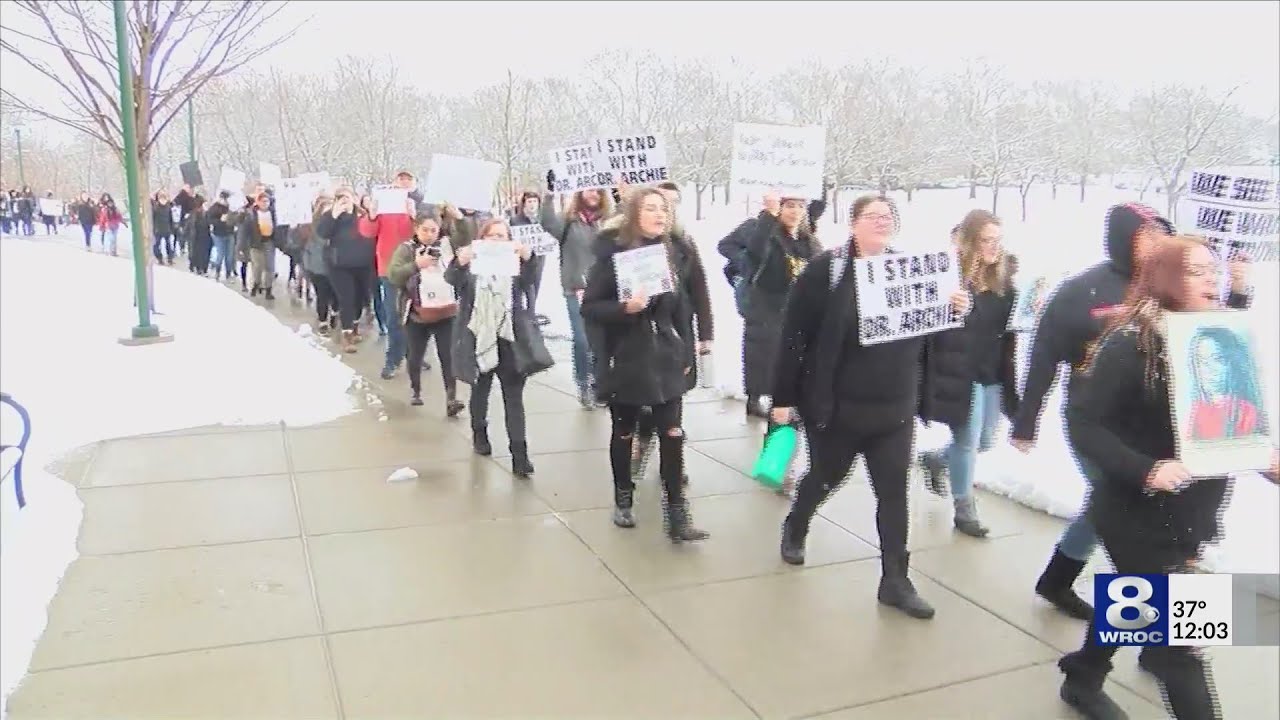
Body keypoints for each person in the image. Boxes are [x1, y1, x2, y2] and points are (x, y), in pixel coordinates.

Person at [1056, 235, 1276, 720]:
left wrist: (1262, 454)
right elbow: (1082, 422)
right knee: (1183, 647)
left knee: (1134, 596)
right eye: (1197, 271)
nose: (1211, 280)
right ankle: (1135, 660)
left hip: (1192, 510)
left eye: (1212, 271)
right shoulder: (1131, 344)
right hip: (1135, 512)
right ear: (1167, 278)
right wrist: (1147, 469)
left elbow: (1228, 421)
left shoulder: (1218, 337)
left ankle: (1083, 673)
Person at [1011, 203, 1252, 621]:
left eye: (1164, 235)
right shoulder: (1084, 292)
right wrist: (1026, 419)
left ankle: (1088, 658)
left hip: (1169, 434)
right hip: (1104, 427)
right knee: (1134, 527)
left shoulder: (1179, 295)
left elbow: (1221, 340)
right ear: (1124, 240)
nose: (1159, 243)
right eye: (1147, 235)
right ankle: (1167, 636)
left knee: (1113, 513)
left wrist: (1239, 294)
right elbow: (1044, 355)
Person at [770, 194, 971, 620]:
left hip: (893, 412)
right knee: (826, 477)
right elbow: (794, 338)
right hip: (839, 408)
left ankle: (896, 581)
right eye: (872, 215)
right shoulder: (827, 271)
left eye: (888, 216)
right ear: (853, 223)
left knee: (894, 495)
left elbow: (934, 338)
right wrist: (783, 399)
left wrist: (953, 308)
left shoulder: (910, 271)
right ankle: (797, 523)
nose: (882, 221)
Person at [582, 188, 711, 540]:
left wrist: (688, 352)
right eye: (651, 208)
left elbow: (684, 308)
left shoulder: (676, 252)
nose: (659, 215)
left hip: (666, 356)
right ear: (634, 214)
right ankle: (623, 496)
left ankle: (677, 513)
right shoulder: (612, 256)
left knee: (672, 433)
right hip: (625, 357)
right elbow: (590, 308)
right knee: (624, 432)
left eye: (664, 209)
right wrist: (625, 308)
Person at [917, 209, 1021, 537]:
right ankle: (964, 509)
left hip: (992, 370)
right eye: (986, 241)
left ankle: (935, 459)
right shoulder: (952, 280)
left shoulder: (1005, 280)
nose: (993, 248)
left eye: (997, 241)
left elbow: (1008, 327)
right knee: (967, 439)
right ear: (969, 242)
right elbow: (933, 327)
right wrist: (953, 306)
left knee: (986, 440)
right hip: (961, 370)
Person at [446, 218, 545, 477]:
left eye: (503, 236)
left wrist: (527, 257)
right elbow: (453, 280)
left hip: (510, 338)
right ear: (482, 239)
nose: (498, 241)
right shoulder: (473, 264)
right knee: (481, 390)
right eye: (493, 236)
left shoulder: (514, 265)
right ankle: (479, 433)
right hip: (479, 336)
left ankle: (520, 455)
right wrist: (460, 261)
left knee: (514, 398)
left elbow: (531, 281)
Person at [736, 194, 822, 419]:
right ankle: (756, 398)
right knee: (763, 354)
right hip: (766, 304)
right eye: (790, 206)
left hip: (797, 306)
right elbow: (755, 251)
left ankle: (791, 397)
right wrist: (769, 214)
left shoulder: (807, 240)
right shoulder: (766, 233)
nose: (795, 211)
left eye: (800, 206)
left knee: (795, 353)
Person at [540, 182, 613, 408]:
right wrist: (550, 194)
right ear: (580, 193)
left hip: (604, 289)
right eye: (590, 189)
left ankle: (599, 384)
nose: (594, 194)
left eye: (599, 190)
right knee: (582, 339)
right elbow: (547, 222)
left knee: (602, 340)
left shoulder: (608, 221)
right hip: (576, 288)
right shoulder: (569, 221)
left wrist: (624, 193)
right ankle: (583, 382)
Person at [387, 213, 464, 416]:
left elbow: (466, 237)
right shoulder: (406, 249)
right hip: (417, 313)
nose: (429, 235)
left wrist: (460, 217)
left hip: (446, 311)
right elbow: (393, 275)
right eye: (425, 230)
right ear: (416, 229)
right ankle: (416, 389)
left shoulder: (447, 247)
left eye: (433, 230)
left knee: (448, 356)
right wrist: (416, 265)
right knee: (415, 354)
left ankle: (451, 397)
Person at [365, 171, 425, 380]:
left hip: (415, 266)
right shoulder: (384, 204)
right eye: (401, 179)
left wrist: (415, 216)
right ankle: (393, 359)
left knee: (417, 315)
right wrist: (371, 215)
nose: (404, 183)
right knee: (393, 315)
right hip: (388, 268)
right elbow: (367, 232)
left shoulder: (419, 203)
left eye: (408, 179)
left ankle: (413, 352)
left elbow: (427, 233)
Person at [315, 188, 376, 353]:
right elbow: (322, 233)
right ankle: (346, 334)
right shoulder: (331, 216)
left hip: (363, 263)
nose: (345, 201)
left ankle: (355, 326)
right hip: (340, 264)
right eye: (341, 198)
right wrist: (334, 215)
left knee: (360, 298)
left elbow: (373, 229)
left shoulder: (363, 214)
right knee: (346, 298)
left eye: (348, 197)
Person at [1186, 327, 1264, 440]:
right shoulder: (1196, 409)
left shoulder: (1247, 411)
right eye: (1201, 361)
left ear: (1231, 364)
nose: (1208, 369)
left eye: (1217, 359)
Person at [509, 191, 549, 325]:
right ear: (524, 204)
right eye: (529, 202)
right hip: (520, 259)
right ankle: (518, 314)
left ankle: (531, 314)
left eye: (534, 201)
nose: (532, 204)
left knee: (535, 284)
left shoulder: (543, 219)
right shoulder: (516, 220)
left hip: (538, 257)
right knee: (521, 286)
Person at [300, 195, 337, 335]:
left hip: (335, 264)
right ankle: (322, 320)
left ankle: (334, 312)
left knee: (336, 294)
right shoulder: (310, 226)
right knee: (322, 294)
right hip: (317, 266)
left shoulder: (338, 224)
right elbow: (300, 242)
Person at [243, 192, 277, 299]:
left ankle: (268, 289)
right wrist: (243, 245)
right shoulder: (251, 214)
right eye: (263, 201)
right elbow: (245, 231)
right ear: (258, 202)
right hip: (256, 243)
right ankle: (256, 284)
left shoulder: (273, 213)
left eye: (267, 201)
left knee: (270, 267)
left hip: (269, 242)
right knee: (258, 266)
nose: (265, 204)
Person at [208, 191, 236, 282]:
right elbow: (209, 219)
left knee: (230, 256)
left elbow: (235, 218)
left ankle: (228, 273)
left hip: (230, 233)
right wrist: (220, 221)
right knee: (220, 254)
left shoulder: (231, 208)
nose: (226, 201)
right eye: (224, 199)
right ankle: (217, 272)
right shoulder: (215, 207)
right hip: (218, 234)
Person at [152, 190, 176, 265]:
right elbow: (152, 219)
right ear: (159, 199)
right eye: (161, 199)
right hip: (158, 229)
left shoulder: (168, 207)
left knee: (168, 245)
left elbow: (170, 218)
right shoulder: (155, 208)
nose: (163, 201)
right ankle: (160, 258)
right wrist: (153, 228)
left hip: (167, 229)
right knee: (156, 246)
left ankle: (170, 258)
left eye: (164, 199)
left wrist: (172, 228)